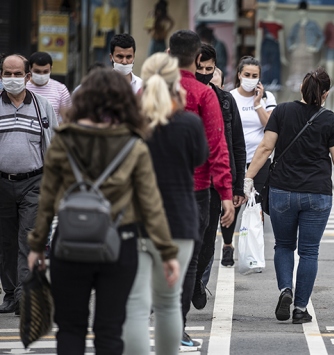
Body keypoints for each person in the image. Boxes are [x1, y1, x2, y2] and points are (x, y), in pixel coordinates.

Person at [27, 68, 179, 354]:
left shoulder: (64, 138)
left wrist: (37, 245)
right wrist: (167, 252)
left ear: (83, 100)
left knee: (70, 328)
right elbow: (151, 204)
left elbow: (46, 197)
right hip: (120, 244)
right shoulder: (134, 144)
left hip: (69, 243)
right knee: (110, 331)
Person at [245, 68, 334, 323]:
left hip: (282, 191)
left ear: (301, 89)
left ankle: (285, 289)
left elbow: (265, 148)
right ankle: (299, 308)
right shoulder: (329, 119)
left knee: (283, 245)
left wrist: (248, 179)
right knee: (309, 252)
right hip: (316, 194)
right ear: (326, 93)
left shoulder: (282, 111)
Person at [121, 53, 207, 354]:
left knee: (135, 303)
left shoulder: (130, 121)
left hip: (134, 219)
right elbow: (199, 159)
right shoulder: (188, 123)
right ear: (176, 82)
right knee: (169, 303)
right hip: (179, 219)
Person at [168, 29, 234, 348]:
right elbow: (217, 146)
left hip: (153, 188)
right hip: (194, 190)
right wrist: (225, 193)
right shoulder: (203, 93)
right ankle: (175, 327)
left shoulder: (150, 91)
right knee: (189, 260)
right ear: (197, 58)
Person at [0, 54, 58, 315]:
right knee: (6, 242)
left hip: (34, 183)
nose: (11, 79)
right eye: (6, 74)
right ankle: (10, 294)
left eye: (16, 74)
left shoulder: (42, 106)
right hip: (2, 184)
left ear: (26, 77)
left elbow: (54, 146)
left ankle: (24, 295)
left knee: (27, 240)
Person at [193, 43, 246, 307]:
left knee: (206, 239)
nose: (204, 73)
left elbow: (236, 144)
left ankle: (196, 282)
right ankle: (187, 284)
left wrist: (237, 187)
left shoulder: (224, 100)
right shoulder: (179, 95)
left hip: (214, 182)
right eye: (199, 68)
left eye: (209, 68)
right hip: (184, 180)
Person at [227, 56, 277, 263]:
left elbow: (271, 127)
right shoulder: (229, 97)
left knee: (257, 204)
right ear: (239, 75)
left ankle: (255, 248)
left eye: (254, 76)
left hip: (260, 159)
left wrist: (258, 103)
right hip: (236, 159)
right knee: (233, 202)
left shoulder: (268, 97)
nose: (250, 79)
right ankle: (228, 245)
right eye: (246, 75)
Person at [26, 51, 71, 124]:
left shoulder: (60, 89)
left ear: (51, 69)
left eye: (45, 72)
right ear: (30, 69)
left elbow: (67, 119)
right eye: (37, 71)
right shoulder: (23, 87)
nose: (41, 75)